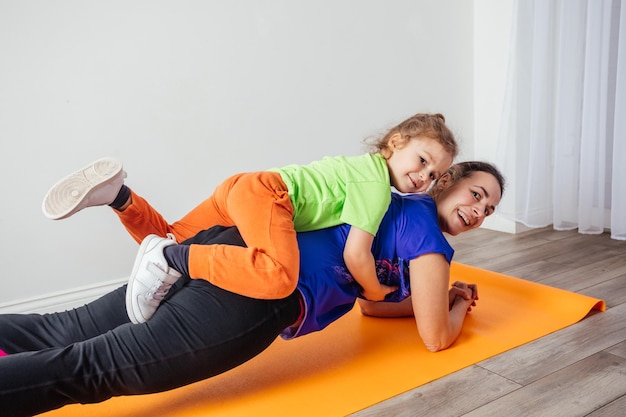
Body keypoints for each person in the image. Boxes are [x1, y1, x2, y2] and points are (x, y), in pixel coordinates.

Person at [0, 161, 504, 417]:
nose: (479, 211)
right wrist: (454, 306)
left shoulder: (391, 213)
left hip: (232, 248)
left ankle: (126, 203)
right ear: (447, 181)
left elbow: (374, 308)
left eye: (489, 210)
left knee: (59, 328)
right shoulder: (429, 238)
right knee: (89, 371)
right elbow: (437, 338)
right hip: (254, 299)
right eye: (476, 194)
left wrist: (433, 298)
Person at [42, 113, 458, 324]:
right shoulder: (374, 188)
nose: (423, 177)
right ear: (395, 142)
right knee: (278, 276)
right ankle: (170, 261)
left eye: (434, 175)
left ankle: (118, 195)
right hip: (269, 196)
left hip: (243, 186)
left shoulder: (362, 165)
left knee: (171, 234)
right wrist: (375, 290)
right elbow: (357, 255)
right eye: (422, 161)